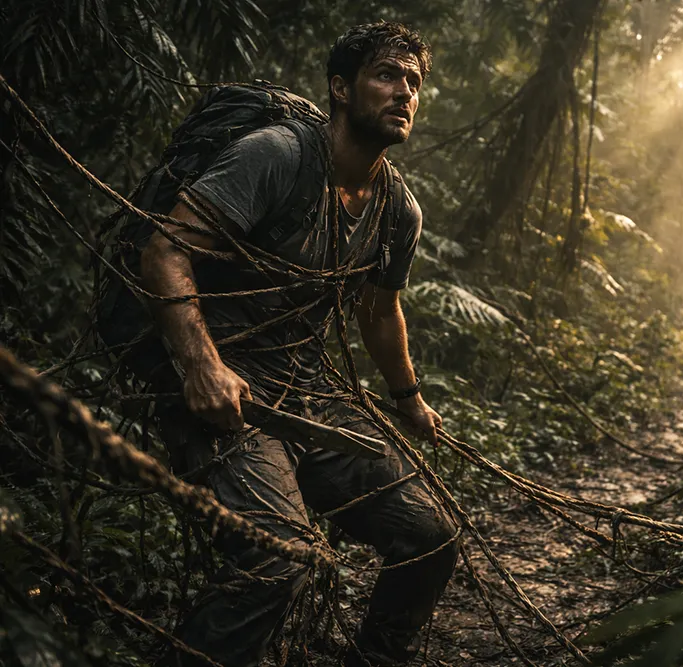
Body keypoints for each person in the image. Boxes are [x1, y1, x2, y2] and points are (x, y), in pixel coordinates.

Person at [140, 22, 458, 667]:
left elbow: (380, 308)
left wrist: (408, 398)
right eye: (386, 76)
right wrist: (202, 367)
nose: (404, 93)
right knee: (278, 561)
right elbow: (165, 250)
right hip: (228, 392)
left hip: (306, 394)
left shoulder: (399, 209)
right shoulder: (277, 156)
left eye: (414, 83)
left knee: (430, 537)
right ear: (341, 89)